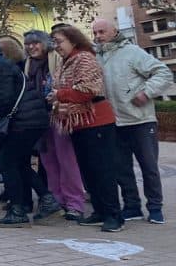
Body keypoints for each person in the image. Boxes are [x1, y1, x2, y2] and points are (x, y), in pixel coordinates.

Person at [92, 17, 169, 224]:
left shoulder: (132, 52)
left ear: (114, 31)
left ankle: (154, 207)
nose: (98, 36)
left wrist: (146, 93)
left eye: (102, 32)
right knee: (121, 168)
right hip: (113, 122)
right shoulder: (96, 57)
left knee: (149, 166)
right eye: (95, 33)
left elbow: (163, 72)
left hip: (140, 120)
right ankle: (132, 206)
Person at [49, 25, 125, 233]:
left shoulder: (85, 58)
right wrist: (56, 96)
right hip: (77, 123)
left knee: (103, 170)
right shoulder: (66, 62)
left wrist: (59, 95)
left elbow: (87, 90)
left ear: (73, 40)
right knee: (89, 171)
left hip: (96, 121)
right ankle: (100, 211)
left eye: (59, 41)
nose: (56, 47)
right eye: (54, 42)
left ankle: (113, 215)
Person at [0, 31, 49, 228]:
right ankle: (47, 201)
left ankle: (19, 209)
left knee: (8, 160)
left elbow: (3, 100)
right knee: (19, 162)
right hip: (29, 118)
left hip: (26, 120)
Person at [25, 30, 84, 220]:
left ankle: (75, 203)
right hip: (39, 118)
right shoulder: (29, 65)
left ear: (45, 44)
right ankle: (56, 199)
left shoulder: (57, 61)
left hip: (59, 115)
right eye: (28, 44)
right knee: (49, 162)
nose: (31, 47)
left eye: (35, 43)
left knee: (67, 160)